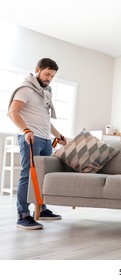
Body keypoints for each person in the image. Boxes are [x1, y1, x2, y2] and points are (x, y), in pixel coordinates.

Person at [8, 58, 67, 230]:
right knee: (28, 175)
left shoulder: (45, 92)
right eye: (47, 74)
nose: (49, 78)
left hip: (45, 139)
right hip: (30, 138)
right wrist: (26, 130)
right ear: (37, 70)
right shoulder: (26, 89)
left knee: (43, 176)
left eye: (52, 76)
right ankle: (23, 215)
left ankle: (41, 209)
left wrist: (59, 136)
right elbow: (13, 112)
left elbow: (45, 122)